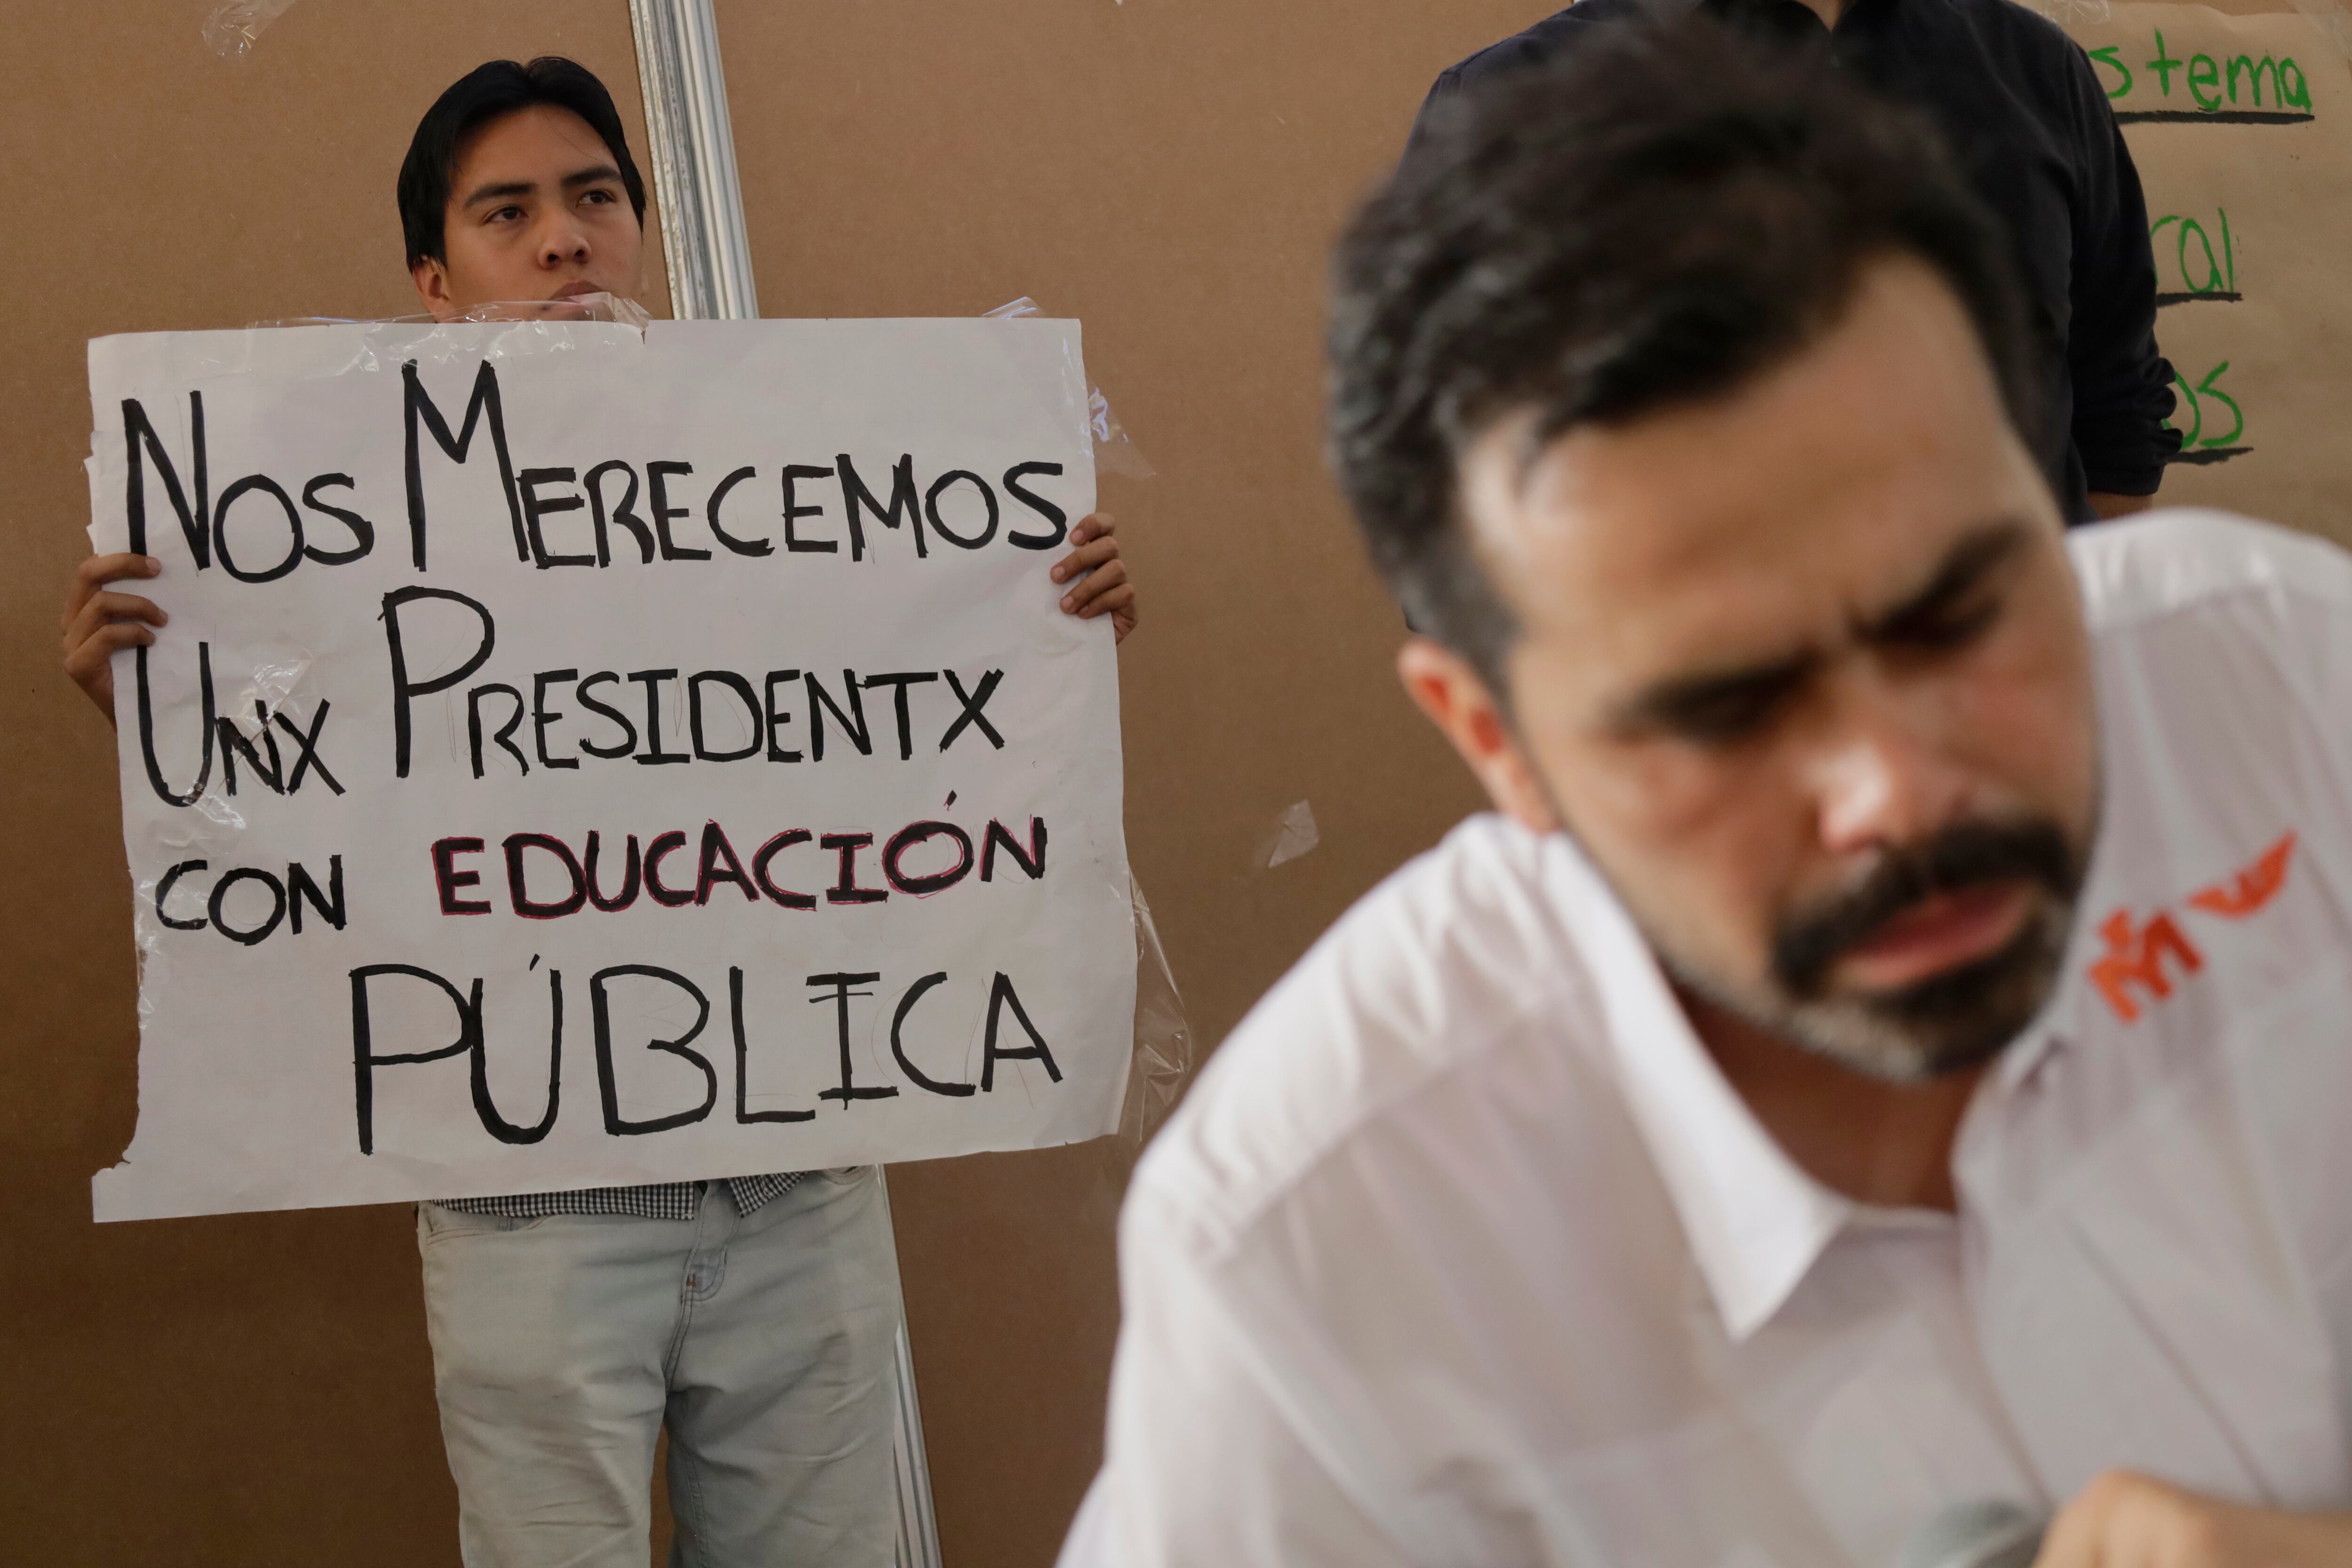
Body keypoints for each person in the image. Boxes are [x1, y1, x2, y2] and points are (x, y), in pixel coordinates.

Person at [1065, 27, 2352, 1568]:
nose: (1896, 792)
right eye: (1723, 710)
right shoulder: (1314, 1275)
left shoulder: (2290, 695)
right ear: (1497, 741)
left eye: (1963, 610)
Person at [61, 56, 1137, 1568]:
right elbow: (328, 824)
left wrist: (1037, 626)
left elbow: (894, 733)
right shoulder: (336, 532)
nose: (565, 238)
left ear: (641, 230)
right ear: (434, 282)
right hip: (531, 1214)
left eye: (597, 197)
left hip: (803, 1183)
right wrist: (162, 721)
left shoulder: (805, 480)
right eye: (509, 212)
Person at [1408, 0, 2180, 526]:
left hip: (2015, 712)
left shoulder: (2038, 75)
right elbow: (1445, 479)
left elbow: (2116, 411)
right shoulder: (1513, 106)